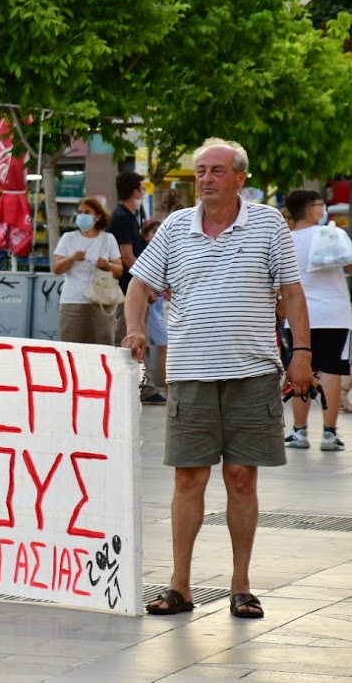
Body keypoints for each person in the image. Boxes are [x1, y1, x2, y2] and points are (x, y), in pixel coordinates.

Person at [124, 138, 314, 620]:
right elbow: (140, 285)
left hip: (252, 373)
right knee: (188, 478)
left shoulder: (268, 223)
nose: (206, 179)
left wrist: (302, 356)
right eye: (201, 171)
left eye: (216, 171)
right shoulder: (174, 227)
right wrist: (134, 329)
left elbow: (291, 293)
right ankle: (180, 585)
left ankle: (241, 586)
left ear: (240, 177)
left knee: (241, 478)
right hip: (190, 374)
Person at [282, 190, 348, 452]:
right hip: (334, 313)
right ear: (312, 210)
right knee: (331, 370)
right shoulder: (332, 234)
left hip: (297, 315)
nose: (323, 210)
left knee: (301, 371)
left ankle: (299, 431)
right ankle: (329, 434)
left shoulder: (284, 240)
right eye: (321, 206)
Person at [110, 171, 164, 404]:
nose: (143, 193)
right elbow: (128, 257)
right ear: (135, 192)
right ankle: (139, 387)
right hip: (127, 291)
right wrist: (147, 287)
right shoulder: (122, 217)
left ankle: (144, 386)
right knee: (130, 337)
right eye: (142, 189)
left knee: (139, 338)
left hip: (132, 289)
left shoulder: (130, 216)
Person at [52, 197, 123, 345]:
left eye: (87, 212)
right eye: (79, 212)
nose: (82, 215)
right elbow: (57, 268)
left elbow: (119, 270)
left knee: (103, 344)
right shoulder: (68, 238)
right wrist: (71, 258)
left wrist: (108, 265)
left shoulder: (108, 239)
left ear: (97, 216)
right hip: (73, 300)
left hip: (102, 301)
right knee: (70, 345)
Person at [140, 219, 168, 389]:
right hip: (150, 307)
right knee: (164, 346)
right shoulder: (146, 255)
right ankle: (165, 387)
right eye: (153, 231)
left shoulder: (163, 254)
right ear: (145, 235)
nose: (157, 234)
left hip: (158, 307)